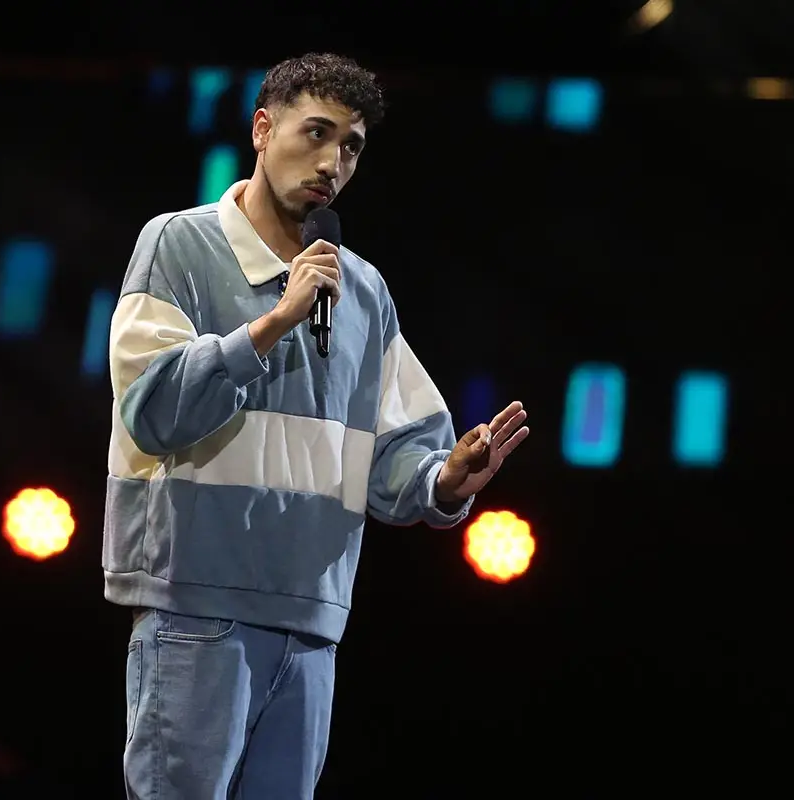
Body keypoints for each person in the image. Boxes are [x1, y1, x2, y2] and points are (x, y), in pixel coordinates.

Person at [103, 52, 530, 799]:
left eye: (352, 146)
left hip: (310, 624)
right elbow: (154, 411)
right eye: (317, 132)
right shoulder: (179, 245)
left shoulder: (360, 288)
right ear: (262, 130)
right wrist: (272, 323)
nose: (332, 162)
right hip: (197, 606)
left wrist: (445, 478)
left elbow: (397, 449)